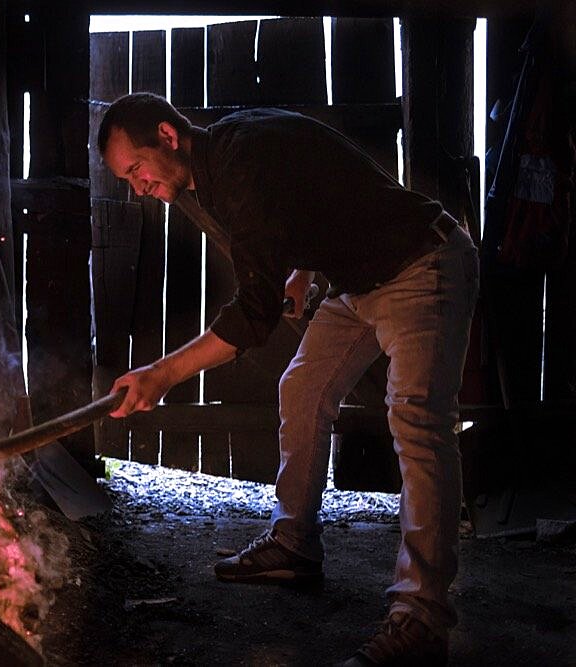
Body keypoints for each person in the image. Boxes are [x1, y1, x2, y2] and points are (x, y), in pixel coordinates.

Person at [98, 92, 479, 666]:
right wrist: (301, 269)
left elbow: (252, 315)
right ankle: (293, 542)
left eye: (136, 170)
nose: (138, 187)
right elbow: (321, 188)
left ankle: (421, 620)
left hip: (420, 264)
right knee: (302, 388)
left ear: (168, 137)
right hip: (359, 282)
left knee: (419, 424)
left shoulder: (238, 164)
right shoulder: (231, 153)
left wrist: (162, 374)